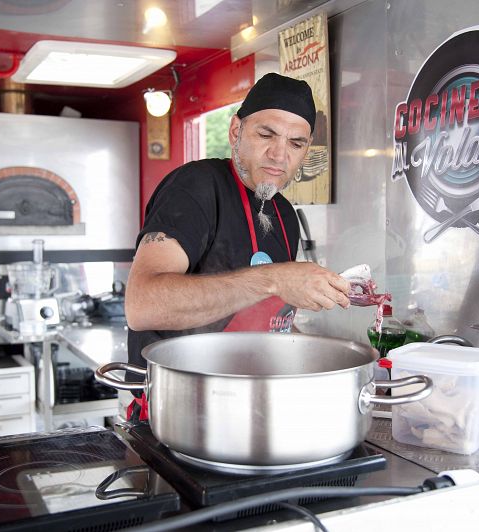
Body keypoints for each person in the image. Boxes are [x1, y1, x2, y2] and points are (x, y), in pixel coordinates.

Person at [124, 73, 351, 420]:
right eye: (266, 135)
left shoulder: (284, 214)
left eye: (296, 143)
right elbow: (142, 305)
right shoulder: (196, 187)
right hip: (178, 414)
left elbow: (268, 325)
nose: (279, 154)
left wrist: (319, 358)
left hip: (251, 411)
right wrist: (274, 279)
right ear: (235, 131)